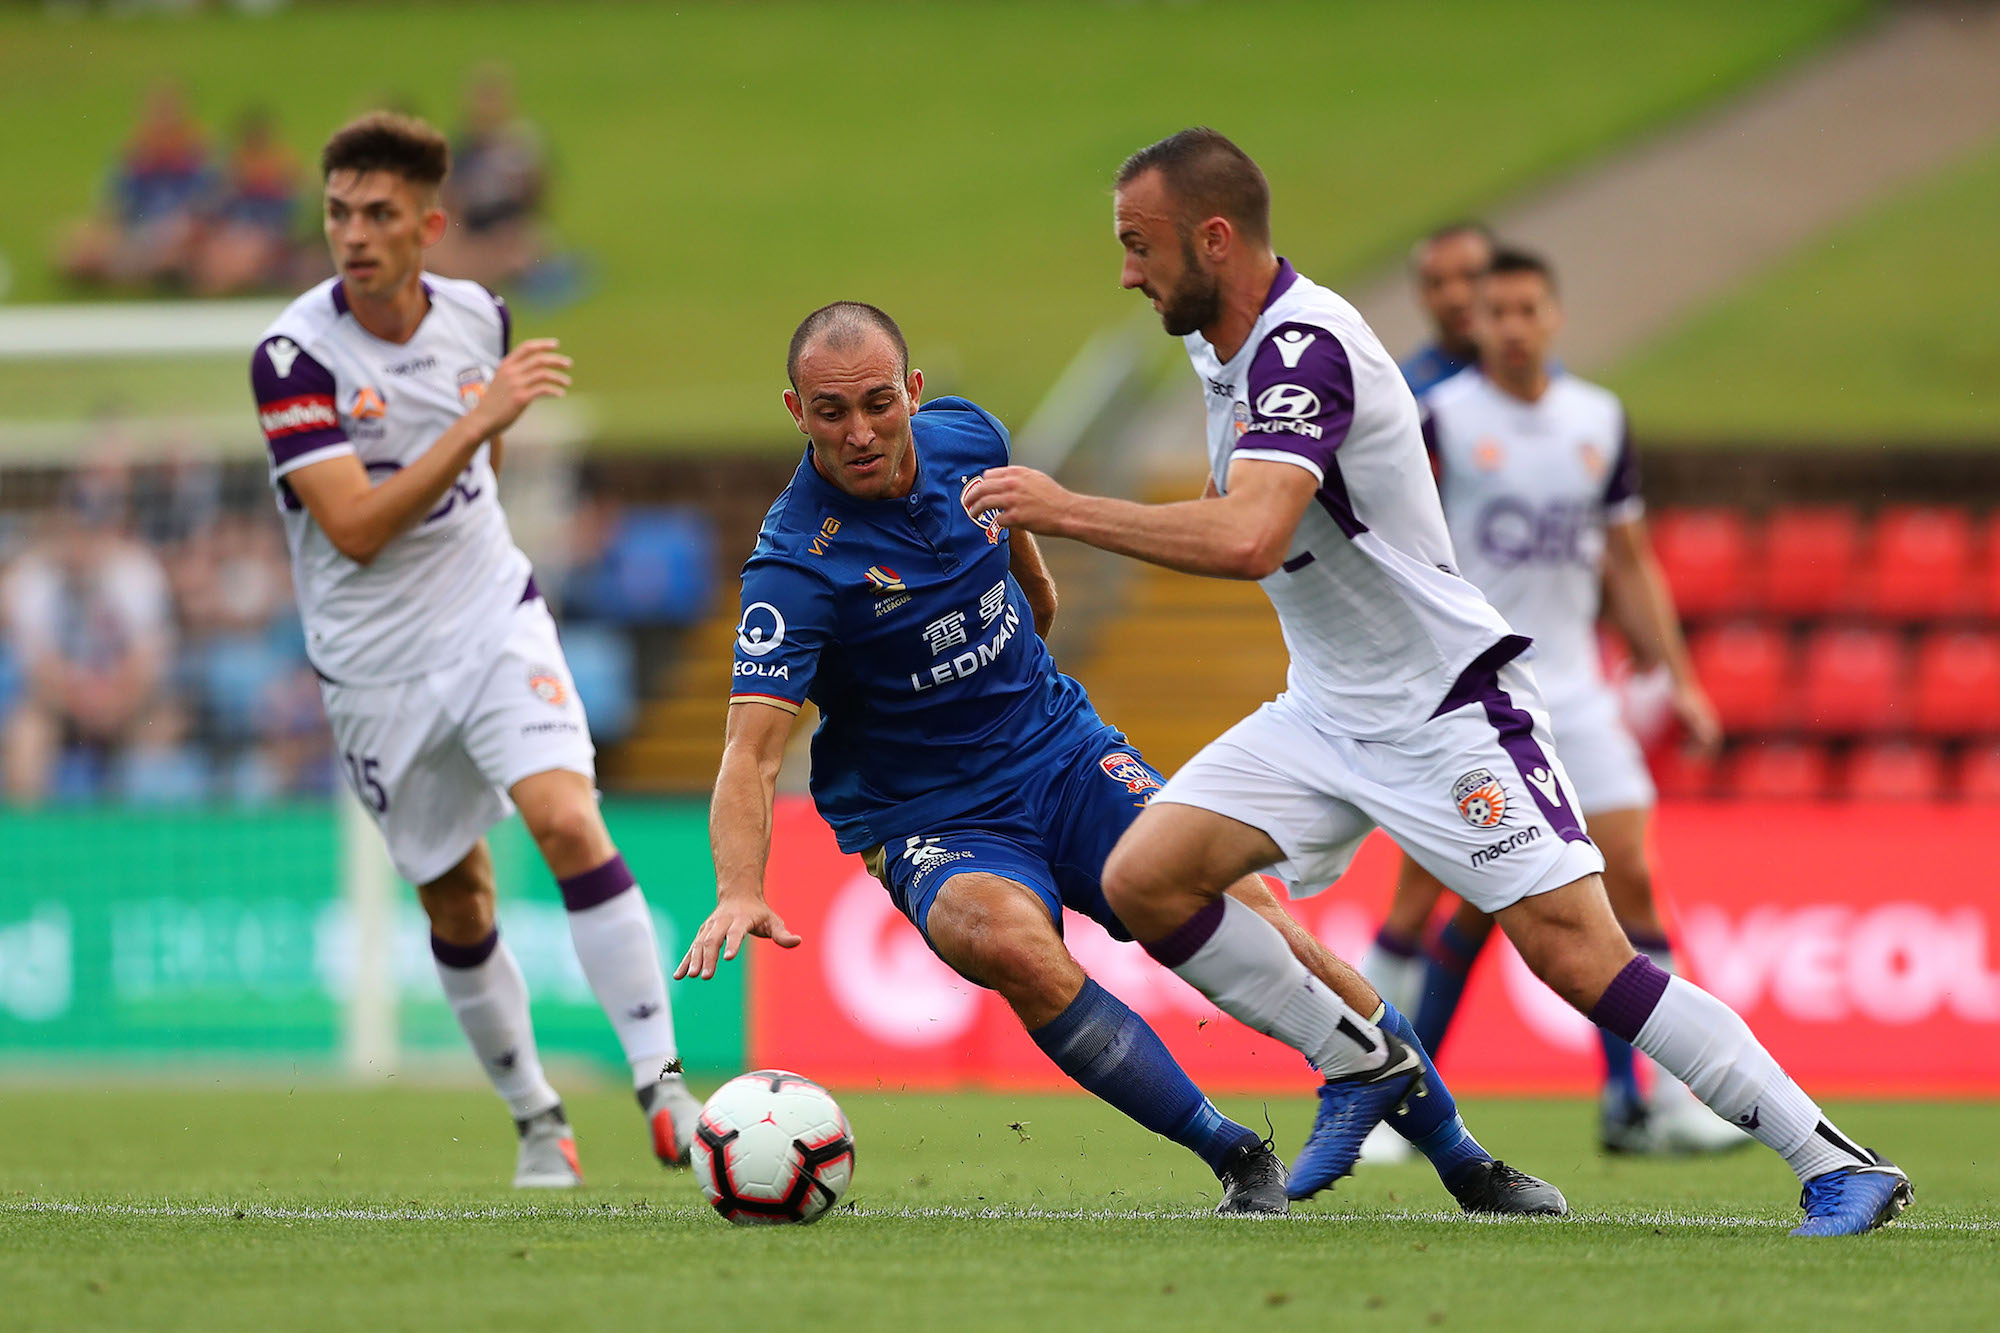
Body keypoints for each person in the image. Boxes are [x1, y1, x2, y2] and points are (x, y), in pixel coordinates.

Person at [962, 127, 1911, 1235]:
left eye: (1140, 246)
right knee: (1144, 879)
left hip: (1444, 708)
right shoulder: (1217, 340)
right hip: (1323, 708)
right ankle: (1361, 1058)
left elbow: (1251, 538)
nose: (1126, 272)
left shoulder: (1300, 347)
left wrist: (1062, 505)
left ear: (1212, 240)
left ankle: (1833, 1159)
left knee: (1577, 954)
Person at [675, 301, 1563, 1217]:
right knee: (1005, 941)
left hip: (1061, 751)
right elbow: (750, 754)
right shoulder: (792, 569)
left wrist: (1037, 592)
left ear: (913, 392)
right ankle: (1234, 1154)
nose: (859, 432)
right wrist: (741, 888)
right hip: (929, 816)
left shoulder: (968, 434)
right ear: (796, 411)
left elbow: (1012, 534)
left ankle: (1464, 1160)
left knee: (1251, 910)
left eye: (876, 403)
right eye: (831, 412)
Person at [247, 112, 699, 1188]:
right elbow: (354, 528)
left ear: (429, 225)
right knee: (458, 900)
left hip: (490, 614)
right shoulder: (291, 356)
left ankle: (662, 1085)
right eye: (338, 213)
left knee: (566, 817)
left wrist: (476, 427)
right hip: (374, 667)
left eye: (379, 215)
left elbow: (478, 468)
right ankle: (539, 1119)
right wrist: (473, 421)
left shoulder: (477, 316)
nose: (354, 234)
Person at [1400, 246, 1739, 1154]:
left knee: (1626, 870)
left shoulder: (1599, 418)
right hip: (1478, 686)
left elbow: (1628, 561)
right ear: (1478, 323)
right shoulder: (1441, 419)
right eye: (1494, 311)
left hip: (1579, 689)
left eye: (1525, 309)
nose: (1510, 326)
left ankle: (1659, 1097)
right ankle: (1398, 1093)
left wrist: (1680, 677)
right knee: (1465, 896)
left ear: (1554, 317)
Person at [1396, 223, 1493, 398]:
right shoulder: (1407, 394)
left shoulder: (1539, 373)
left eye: (1471, 276)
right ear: (1420, 295)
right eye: (1436, 284)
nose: (1455, 298)